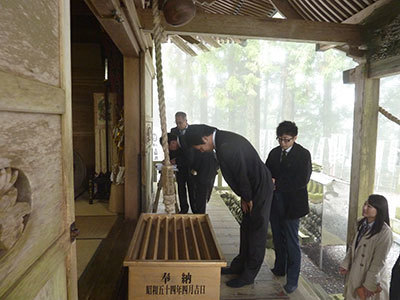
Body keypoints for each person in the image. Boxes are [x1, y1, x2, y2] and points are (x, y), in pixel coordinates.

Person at [183, 124, 274, 288]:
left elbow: (241, 172)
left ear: (205, 138)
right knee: (246, 227)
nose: (201, 151)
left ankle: (249, 274)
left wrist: (247, 197)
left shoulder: (226, 145)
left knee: (256, 230)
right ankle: (239, 265)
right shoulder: (222, 141)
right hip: (250, 188)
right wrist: (244, 196)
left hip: (259, 187)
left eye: (200, 147)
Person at [265, 120, 312, 294]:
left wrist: (278, 183)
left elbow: (302, 180)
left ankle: (292, 280)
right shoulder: (274, 153)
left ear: (295, 138)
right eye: (280, 139)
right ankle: (279, 267)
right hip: (275, 203)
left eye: (287, 140)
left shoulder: (303, 154)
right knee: (277, 237)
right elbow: (266, 171)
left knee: (292, 241)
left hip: (292, 204)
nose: (283, 143)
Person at [339, 194, 393, 300]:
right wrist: (346, 263)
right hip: (356, 272)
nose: (364, 208)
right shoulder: (361, 223)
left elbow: (378, 262)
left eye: (369, 206)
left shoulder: (385, 232)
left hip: (370, 276)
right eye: (365, 204)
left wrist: (369, 285)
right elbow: (353, 246)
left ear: (379, 210)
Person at [170, 112, 194, 213]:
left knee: (192, 188)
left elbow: (193, 151)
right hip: (179, 165)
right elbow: (171, 148)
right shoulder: (173, 131)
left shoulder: (193, 132)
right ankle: (184, 209)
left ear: (186, 121)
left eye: (180, 123)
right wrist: (171, 159)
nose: (178, 125)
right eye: (176, 123)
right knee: (181, 187)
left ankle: (195, 208)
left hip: (191, 165)